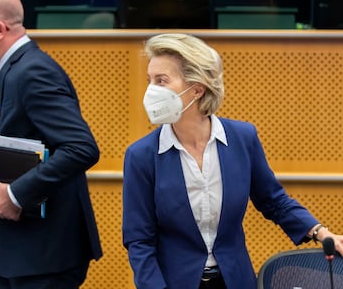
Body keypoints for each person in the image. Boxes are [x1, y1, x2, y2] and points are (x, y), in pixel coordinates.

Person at [121, 33, 343, 289]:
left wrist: (322, 233)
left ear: (197, 88)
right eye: (150, 80)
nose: (151, 91)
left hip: (235, 280)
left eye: (162, 80)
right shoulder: (141, 155)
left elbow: (274, 201)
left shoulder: (242, 138)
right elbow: (140, 239)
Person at [0, 0, 102, 289]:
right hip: (26, 253)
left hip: (43, 255)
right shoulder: (13, 69)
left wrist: (16, 194)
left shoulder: (33, 71)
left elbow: (81, 148)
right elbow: (33, 141)